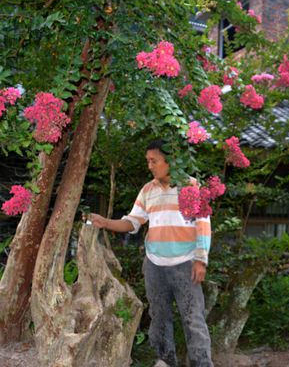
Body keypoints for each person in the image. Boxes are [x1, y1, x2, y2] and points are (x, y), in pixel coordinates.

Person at [87, 140, 213, 367]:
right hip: (154, 265)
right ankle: (166, 362)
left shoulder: (192, 188)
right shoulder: (148, 190)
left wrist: (200, 260)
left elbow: (203, 224)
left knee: (193, 318)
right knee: (159, 318)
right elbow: (133, 222)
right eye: (148, 161)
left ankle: (202, 363)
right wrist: (105, 222)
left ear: (170, 161)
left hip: (186, 263)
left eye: (154, 161)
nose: (150, 166)